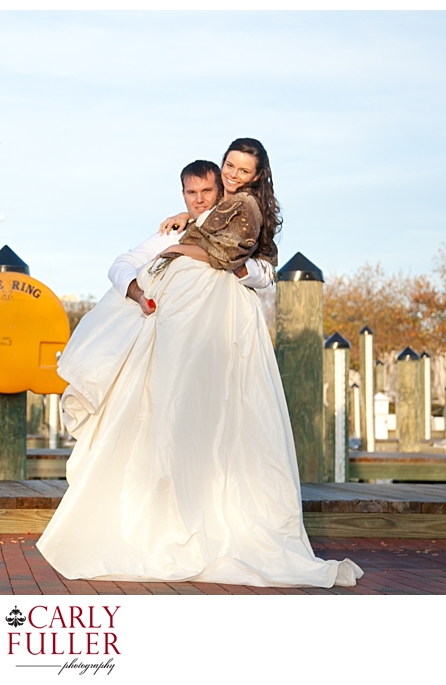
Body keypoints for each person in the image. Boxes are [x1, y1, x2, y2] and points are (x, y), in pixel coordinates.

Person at [37, 138, 363, 588]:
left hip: (219, 331)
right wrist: (142, 284)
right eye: (225, 168)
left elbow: (264, 273)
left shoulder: (248, 216)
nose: (225, 180)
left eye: (236, 173)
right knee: (159, 414)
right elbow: (124, 263)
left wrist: (232, 265)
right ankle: (154, 517)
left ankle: (219, 518)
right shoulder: (180, 225)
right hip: (173, 327)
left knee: (224, 421)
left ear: (254, 176)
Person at [108, 160, 274, 318]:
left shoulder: (238, 231)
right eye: (191, 192)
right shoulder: (174, 233)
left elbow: (266, 274)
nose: (199, 200)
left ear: (220, 191)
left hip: (229, 328)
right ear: (183, 194)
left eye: (207, 191)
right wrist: (140, 296)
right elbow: (120, 265)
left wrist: (234, 261)